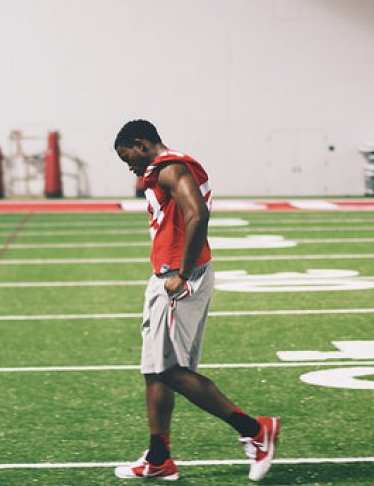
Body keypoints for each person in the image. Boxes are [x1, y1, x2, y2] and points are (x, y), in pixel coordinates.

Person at [112, 119, 280, 482]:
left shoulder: (171, 168)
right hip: (166, 276)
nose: (130, 166)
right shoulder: (162, 170)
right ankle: (159, 458)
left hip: (179, 278)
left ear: (142, 144)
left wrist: (183, 275)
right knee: (154, 368)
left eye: (129, 157)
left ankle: (254, 430)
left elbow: (198, 214)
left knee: (170, 369)